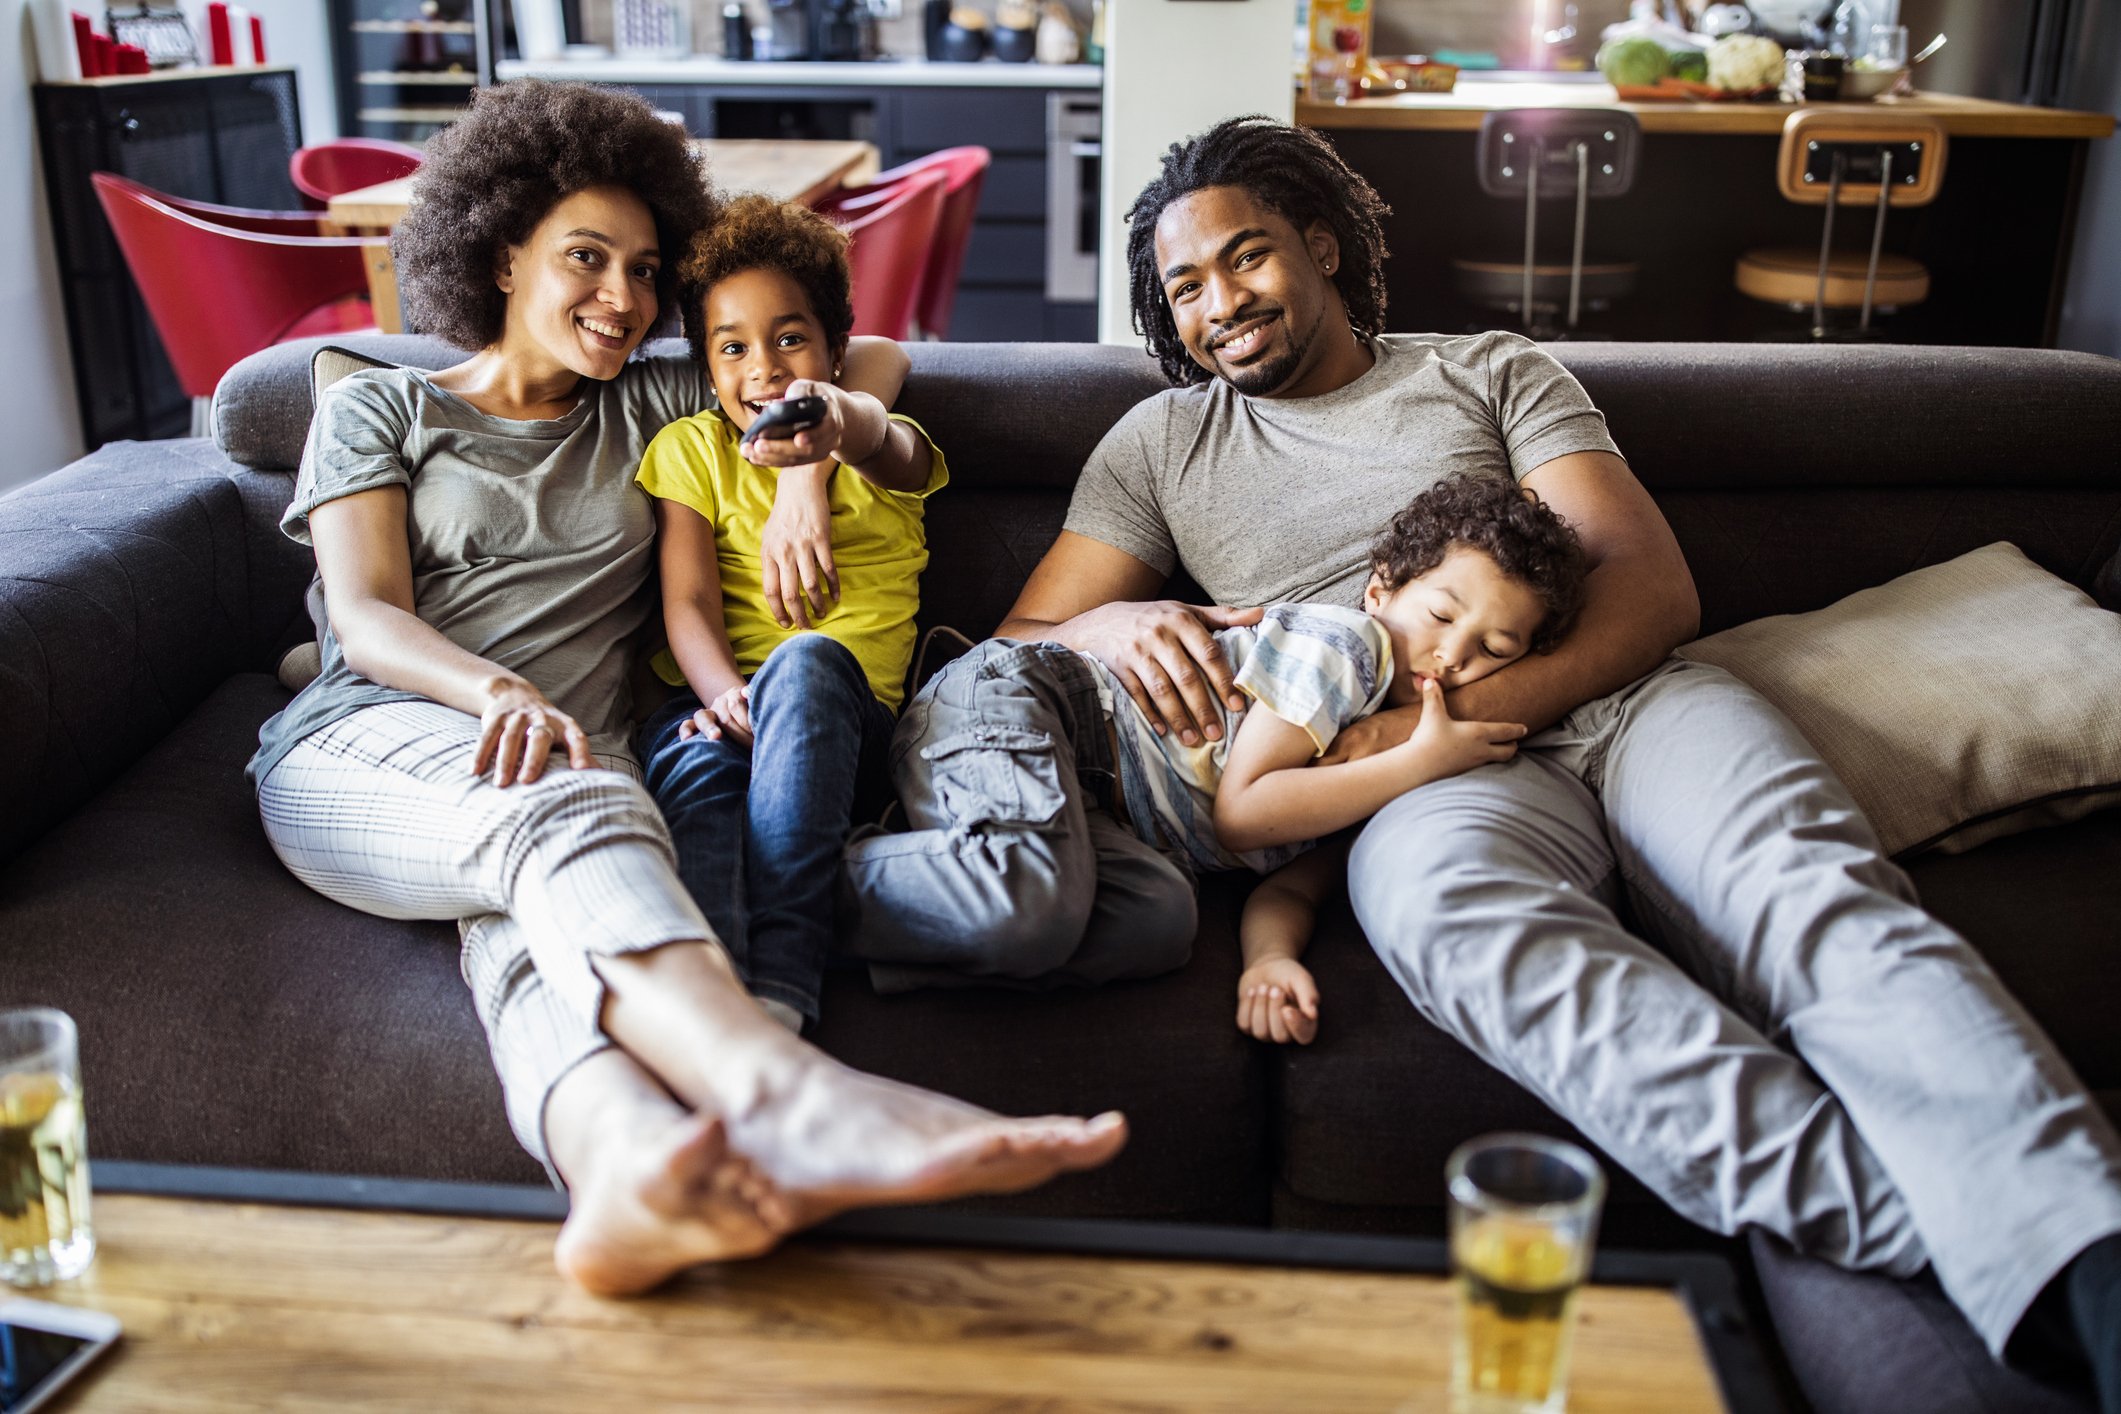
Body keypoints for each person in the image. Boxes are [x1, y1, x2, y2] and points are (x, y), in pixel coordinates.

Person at [985, 115, 2121, 1400]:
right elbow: (1021, 638)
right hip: (1417, 782)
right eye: (1185, 287)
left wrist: (1479, 709)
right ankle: (1939, 1235)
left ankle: (2084, 1260)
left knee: (1808, 895)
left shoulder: (1486, 369)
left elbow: (1647, 589)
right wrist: (1120, 615)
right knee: (1465, 929)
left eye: (1246, 259)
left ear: (1320, 246)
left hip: (1622, 706)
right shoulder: (1160, 447)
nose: (1219, 304)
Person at [245, 80, 1125, 1298]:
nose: (624, 300)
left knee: (536, 940)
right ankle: (783, 1087)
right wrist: (498, 687)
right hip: (382, 744)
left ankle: (628, 1171)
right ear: (503, 255)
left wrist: (809, 467)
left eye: (646, 270)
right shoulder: (381, 404)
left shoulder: (649, 407)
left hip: (567, 778)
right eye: (586, 260)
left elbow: (852, 356)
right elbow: (366, 614)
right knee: (565, 802)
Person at [634, 194, 946, 1034]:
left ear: (834, 348)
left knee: (805, 662)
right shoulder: (689, 450)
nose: (762, 366)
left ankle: (781, 990)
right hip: (715, 703)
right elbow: (688, 599)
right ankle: (706, 1020)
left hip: (853, 732)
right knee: (697, 774)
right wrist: (722, 694)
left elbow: (883, 428)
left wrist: (816, 460)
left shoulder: (882, 446)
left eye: (789, 337)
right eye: (732, 347)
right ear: (706, 369)